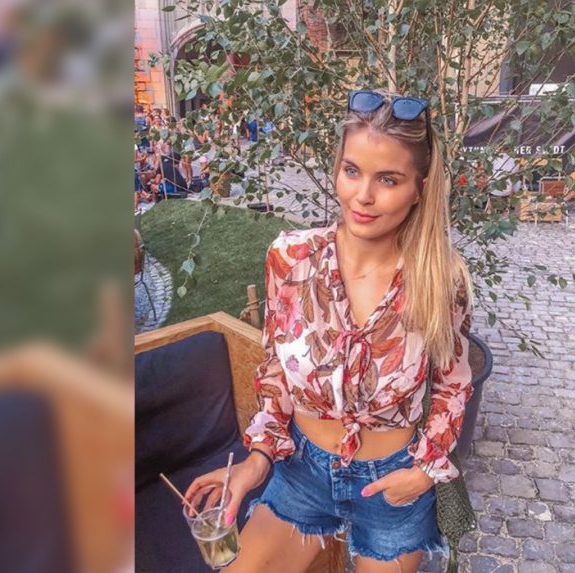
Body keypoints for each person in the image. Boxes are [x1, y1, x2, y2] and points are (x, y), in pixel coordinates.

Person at [184, 89, 474, 573]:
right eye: (352, 170)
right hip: (303, 470)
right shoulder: (291, 258)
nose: (363, 196)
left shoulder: (440, 279)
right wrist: (258, 459)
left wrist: (425, 471)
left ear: (419, 189)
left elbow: (453, 384)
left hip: (391, 486)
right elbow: (276, 368)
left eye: (388, 179)